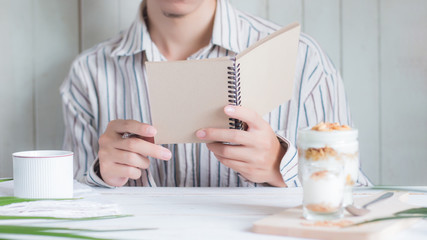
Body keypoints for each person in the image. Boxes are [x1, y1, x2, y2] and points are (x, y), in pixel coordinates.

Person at [60, 0, 371, 188]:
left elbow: (355, 190)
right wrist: (100, 174)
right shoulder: (90, 73)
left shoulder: (303, 59)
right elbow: (64, 204)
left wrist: (281, 165)